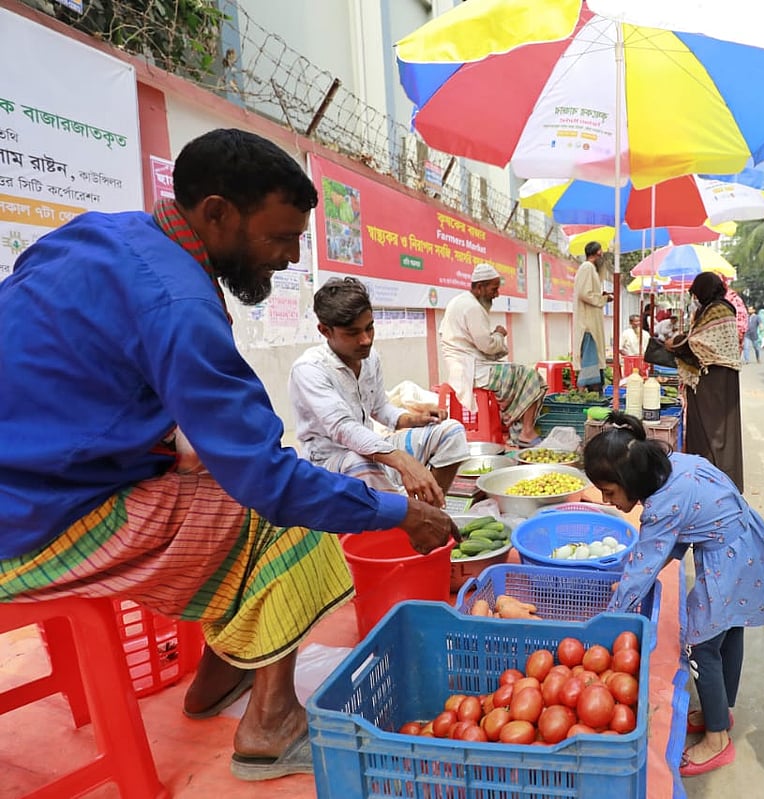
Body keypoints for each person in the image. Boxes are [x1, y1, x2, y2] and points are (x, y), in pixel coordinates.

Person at [0, 128, 458, 781]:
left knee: (234, 483)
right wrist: (399, 512)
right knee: (286, 516)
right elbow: (269, 479)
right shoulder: (179, 302)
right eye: (280, 238)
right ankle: (270, 725)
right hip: (31, 521)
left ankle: (218, 679)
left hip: (41, 476)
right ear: (216, 213)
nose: (289, 258)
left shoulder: (101, 234)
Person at [585, 413, 764, 777]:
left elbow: (648, 558)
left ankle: (717, 740)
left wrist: (610, 617)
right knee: (729, 628)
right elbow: (674, 538)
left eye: (610, 492)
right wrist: (637, 579)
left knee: (700, 645)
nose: (607, 500)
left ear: (630, 480)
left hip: (730, 560)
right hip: (743, 546)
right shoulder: (673, 466)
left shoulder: (663, 506)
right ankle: (719, 711)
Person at [289, 276, 469, 504]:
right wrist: (402, 461)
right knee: (360, 463)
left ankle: (430, 511)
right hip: (329, 461)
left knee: (451, 432)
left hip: (370, 450)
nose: (366, 340)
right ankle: (407, 518)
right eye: (353, 333)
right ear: (325, 331)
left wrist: (413, 419)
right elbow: (343, 428)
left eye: (369, 328)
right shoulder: (309, 369)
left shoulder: (370, 358)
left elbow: (379, 408)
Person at [439, 263, 547, 447]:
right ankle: (526, 432)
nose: (497, 294)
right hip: (474, 371)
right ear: (480, 287)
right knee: (531, 376)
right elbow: (487, 346)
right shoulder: (472, 307)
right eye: (494, 289)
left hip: (465, 367)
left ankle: (519, 427)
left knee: (518, 372)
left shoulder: (459, 301)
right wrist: (499, 334)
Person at [666, 272, 745, 491]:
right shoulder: (710, 309)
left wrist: (675, 343)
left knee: (715, 433)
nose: (695, 299)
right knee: (704, 431)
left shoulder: (719, 309)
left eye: (696, 294)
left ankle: (716, 482)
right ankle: (705, 479)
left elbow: (701, 342)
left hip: (715, 380)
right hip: (709, 379)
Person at [573, 241, 612, 389]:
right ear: (598, 253)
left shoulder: (590, 269)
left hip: (592, 325)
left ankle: (591, 394)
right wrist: (603, 299)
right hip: (588, 327)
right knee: (591, 370)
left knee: (594, 369)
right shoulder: (587, 267)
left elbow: (589, 293)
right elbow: (585, 294)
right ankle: (586, 395)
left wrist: (602, 296)